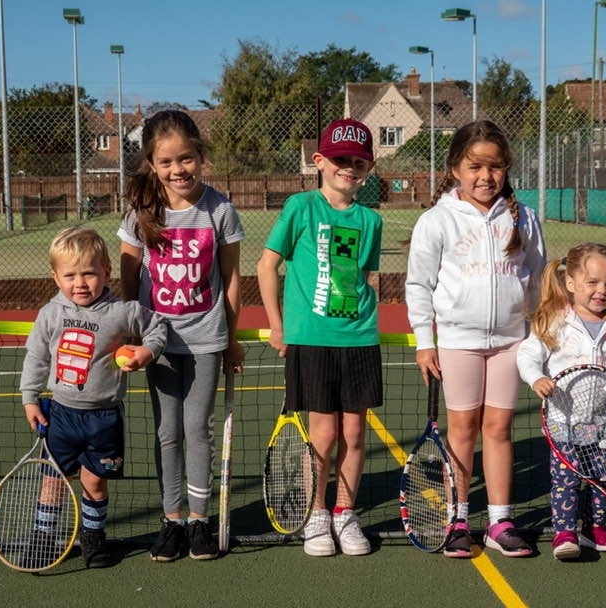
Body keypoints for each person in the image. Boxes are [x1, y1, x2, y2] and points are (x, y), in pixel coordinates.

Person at [405, 120, 547, 559]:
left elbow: (539, 279)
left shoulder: (524, 217)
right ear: (454, 169)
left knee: (499, 429)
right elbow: (418, 285)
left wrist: (540, 336)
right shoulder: (436, 221)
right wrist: (424, 341)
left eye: (496, 167)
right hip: (457, 341)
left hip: (512, 342)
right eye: (475, 166)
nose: (486, 177)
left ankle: (500, 520)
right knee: (462, 430)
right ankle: (458, 517)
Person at [118, 110, 245, 562]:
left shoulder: (220, 209)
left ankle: (199, 521)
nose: (178, 170)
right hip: (158, 342)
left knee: (199, 429)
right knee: (167, 431)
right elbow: (129, 278)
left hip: (207, 337)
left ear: (200, 157)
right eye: (167, 162)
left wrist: (231, 337)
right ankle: (171, 520)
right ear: (152, 164)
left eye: (186, 159)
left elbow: (230, 279)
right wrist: (133, 334)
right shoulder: (141, 213)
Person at [256, 118, 383, 557]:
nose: (348, 168)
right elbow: (266, 266)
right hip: (312, 340)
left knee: (355, 434)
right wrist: (277, 324)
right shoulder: (300, 207)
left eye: (357, 162)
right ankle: (316, 516)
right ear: (320, 161)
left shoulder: (371, 220)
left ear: (368, 167)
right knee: (323, 436)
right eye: (340, 160)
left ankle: (345, 514)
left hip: (360, 339)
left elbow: (364, 276)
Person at [19, 226, 168, 569]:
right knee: (53, 482)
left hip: (104, 418)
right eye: (70, 275)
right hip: (61, 416)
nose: (80, 282)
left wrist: (146, 352)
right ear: (56, 277)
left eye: (89, 273)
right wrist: (30, 398)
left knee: (95, 482)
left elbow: (158, 326)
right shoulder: (50, 314)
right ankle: (43, 539)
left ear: (106, 272)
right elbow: (37, 358)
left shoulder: (122, 311)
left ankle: (93, 538)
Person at [516, 242, 606, 560]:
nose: (601, 290)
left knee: (603, 476)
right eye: (592, 282)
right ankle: (565, 531)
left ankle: (594, 527)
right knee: (566, 479)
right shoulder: (555, 320)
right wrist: (536, 377)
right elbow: (528, 353)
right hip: (563, 420)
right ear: (571, 284)